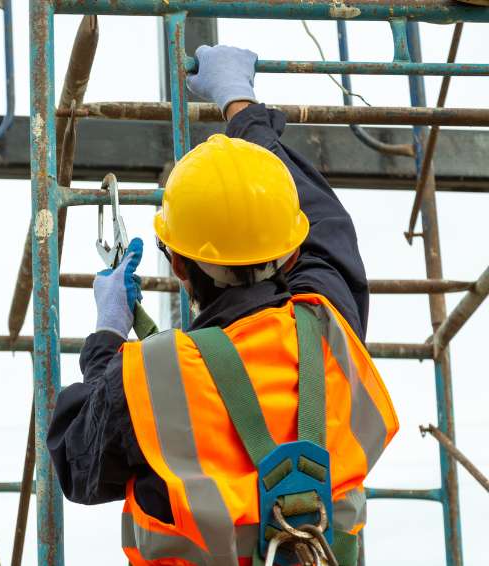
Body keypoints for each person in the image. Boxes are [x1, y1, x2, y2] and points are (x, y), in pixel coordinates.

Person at [47, 45, 399, 566]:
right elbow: (325, 220)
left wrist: (106, 334)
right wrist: (240, 103)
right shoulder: (330, 328)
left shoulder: (147, 376)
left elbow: (78, 461)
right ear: (294, 250)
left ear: (179, 267)